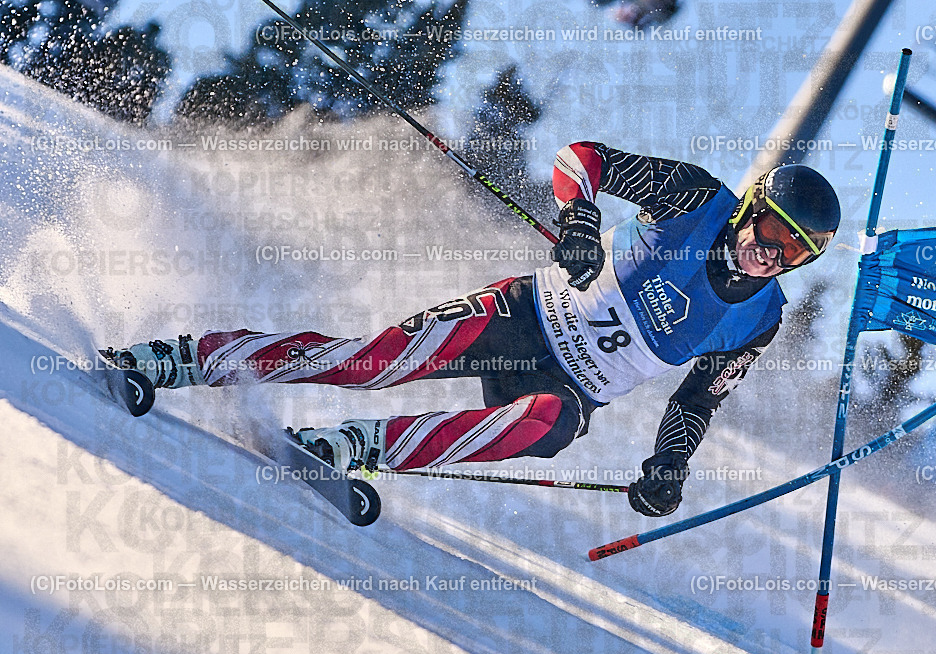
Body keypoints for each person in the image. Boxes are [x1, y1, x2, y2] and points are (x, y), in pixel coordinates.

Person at [106, 142, 840, 517]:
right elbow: (580, 159)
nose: (769, 253)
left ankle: (357, 446)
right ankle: (185, 357)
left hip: (570, 388)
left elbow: (695, 402)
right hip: (525, 317)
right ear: (751, 207)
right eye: (772, 230)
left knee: (550, 423)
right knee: (372, 363)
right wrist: (579, 217)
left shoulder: (759, 318)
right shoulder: (694, 198)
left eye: (793, 252)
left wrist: (669, 465)